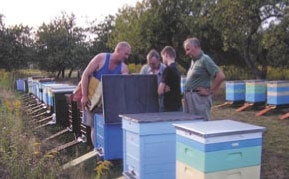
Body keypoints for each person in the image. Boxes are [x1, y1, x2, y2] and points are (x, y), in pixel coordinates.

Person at [80, 41, 131, 147]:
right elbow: (85, 75)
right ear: (118, 50)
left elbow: (124, 87)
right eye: (125, 54)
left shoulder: (123, 68)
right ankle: (97, 152)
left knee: (110, 125)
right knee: (95, 126)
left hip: (111, 102)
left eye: (128, 54)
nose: (127, 57)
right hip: (93, 99)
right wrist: (84, 96)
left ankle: (109, 152)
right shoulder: (101, 58)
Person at [183, 37, 225, 120]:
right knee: (191, 125)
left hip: (199, 99)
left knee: (202, 125)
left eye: (188, 49)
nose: (186, 53)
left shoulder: (205, 59)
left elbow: (221, 76)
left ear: (197, 47)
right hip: (190, 98)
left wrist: (210, 91)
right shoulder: (193, 61)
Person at [158, 46, 182, 112]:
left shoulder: (167, 70)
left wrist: (163, 89)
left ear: (166, 54)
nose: (162, 59)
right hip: (178, 105)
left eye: (162, 57)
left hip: (169, 106)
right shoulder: (178, 70)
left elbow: (160, 91)